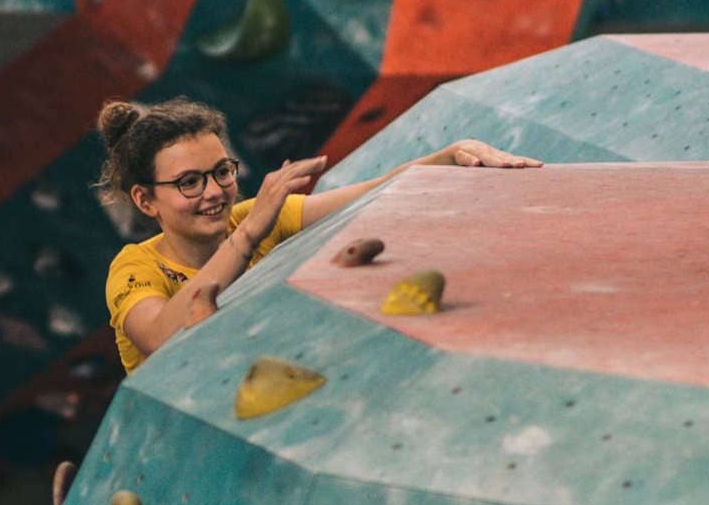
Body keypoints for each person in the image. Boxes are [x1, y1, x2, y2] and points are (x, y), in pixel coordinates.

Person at [97, 98, 541, 373]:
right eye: (189, 182)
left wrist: (451, 155)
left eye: (221, 172)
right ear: (145, 200)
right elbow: (157, 335)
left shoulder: (256, 219)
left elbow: (374, 191)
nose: (214, 193)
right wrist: (250, 232)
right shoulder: (135, 268)